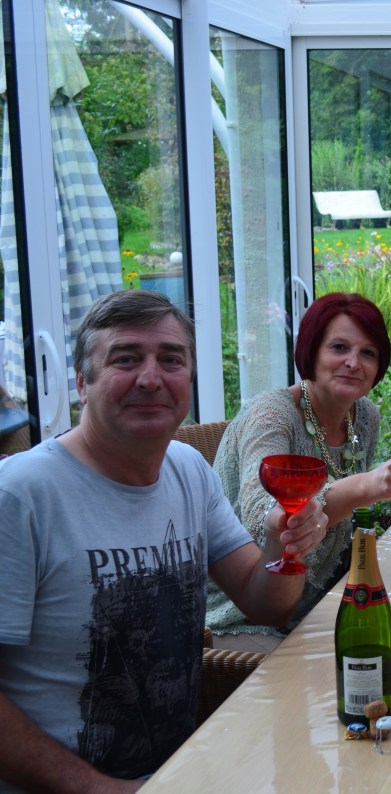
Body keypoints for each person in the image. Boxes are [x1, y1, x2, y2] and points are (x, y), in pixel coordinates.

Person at [0, 290, 329, 790]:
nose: (151, 378)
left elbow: (265, 602)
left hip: (180, 775)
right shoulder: (22, 495)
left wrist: (285, 544)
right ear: (82, 383)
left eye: (171, 360)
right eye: (125, 359)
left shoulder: (187, 469)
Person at [207, 293, 391, 638]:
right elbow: (264, 519)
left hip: (322, 599)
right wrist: (371, 485)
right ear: (311, 351)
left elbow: (346, 523)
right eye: (339, 348)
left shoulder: (363, 416)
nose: (353, 363)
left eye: (368, 353)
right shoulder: (271, 415)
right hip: (244, 614)